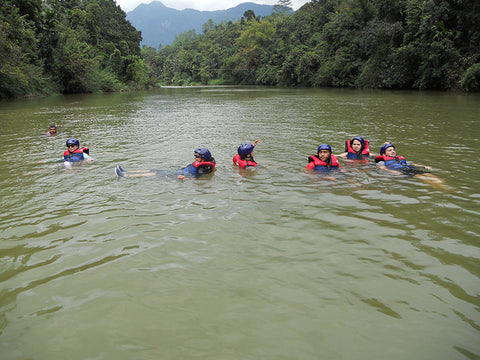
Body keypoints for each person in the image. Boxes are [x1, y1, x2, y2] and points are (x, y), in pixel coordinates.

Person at [375, 142, 446, 189]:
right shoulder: (382, 161)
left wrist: (423, 166)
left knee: (430, 175)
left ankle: (446, 186)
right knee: (421, 177)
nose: (393, 151)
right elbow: (382, 168)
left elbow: (411, 164)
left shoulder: (399, 158)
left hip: (409, 168)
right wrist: (395, 172)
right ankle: (440, 189)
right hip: (401, 171)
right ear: (384, 154)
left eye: (393, 150)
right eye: (389, 150)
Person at [115, 148, 215, 180]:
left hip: (180, 175)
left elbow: (196, 178)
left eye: (197, 156)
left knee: (155, 174)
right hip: (178, 171)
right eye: (194, 155)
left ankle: (125, 176)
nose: (194, 157)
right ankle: (127, 171)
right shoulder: (202, 163)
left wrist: (185, 179)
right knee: (154, 170)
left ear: (203, 159)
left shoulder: (203, 168)